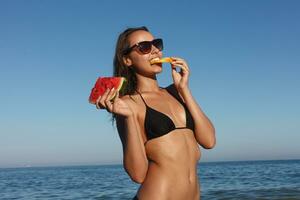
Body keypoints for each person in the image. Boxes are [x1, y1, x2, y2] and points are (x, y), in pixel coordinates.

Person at [95, 26, 216, 200]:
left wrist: (184, 89)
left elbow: (209, 141)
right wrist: (128, 118)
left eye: (156, 44)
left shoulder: (176, 92)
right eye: (144, 47)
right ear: (127, 60)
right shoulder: (130, 104)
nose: (155, 51)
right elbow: (138, 175)